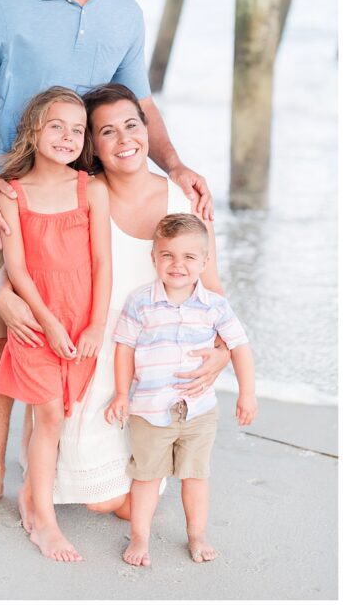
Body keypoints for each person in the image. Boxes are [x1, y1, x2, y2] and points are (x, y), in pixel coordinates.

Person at [0, 0, 212, 522]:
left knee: (105, 334)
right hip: (12, 205)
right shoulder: (7, 5)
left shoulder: (125, 13)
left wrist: (173, 163)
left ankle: (86, 465)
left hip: (90, 206)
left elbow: (138, 104)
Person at [0, 83, 232, 530]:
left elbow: (212, 287)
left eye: (132, 125)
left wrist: (223, 350)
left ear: (146, 129)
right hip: (92, 358)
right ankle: (37, 478)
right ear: (93, 146)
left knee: (126, 505)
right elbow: (41, 253)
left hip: (155, 372)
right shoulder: (83, 191)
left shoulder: (184, 199)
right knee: (103, 504)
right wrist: (0, 291)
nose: (124, 140)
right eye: (106, 132)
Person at [0, 88, 111, 561]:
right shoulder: (13, 194)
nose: (68, 136)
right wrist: (48, 323)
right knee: (50, 415)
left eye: (77, 130)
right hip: (37, 322)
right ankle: (46, 521)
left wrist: (95, 324)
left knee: (63, 412)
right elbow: (16, 269)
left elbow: (102, 261)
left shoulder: (90, 189)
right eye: (57, 125)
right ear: (34, 128)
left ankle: (31, 497)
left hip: (82, 318)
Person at [105, 213, 256, 566]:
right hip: (149, 409)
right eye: (168, 255)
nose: (178, 264)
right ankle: (140, 538)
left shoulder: (215, 306)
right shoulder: (140, 301)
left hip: (199, 411)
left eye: (189, 257)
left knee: (195, 475)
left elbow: (240, 346)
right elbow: (124, 348)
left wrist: (247, 393)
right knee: (146, 476)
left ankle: (197, 534)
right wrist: (122, 394)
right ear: (154, 257)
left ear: (205, 261)